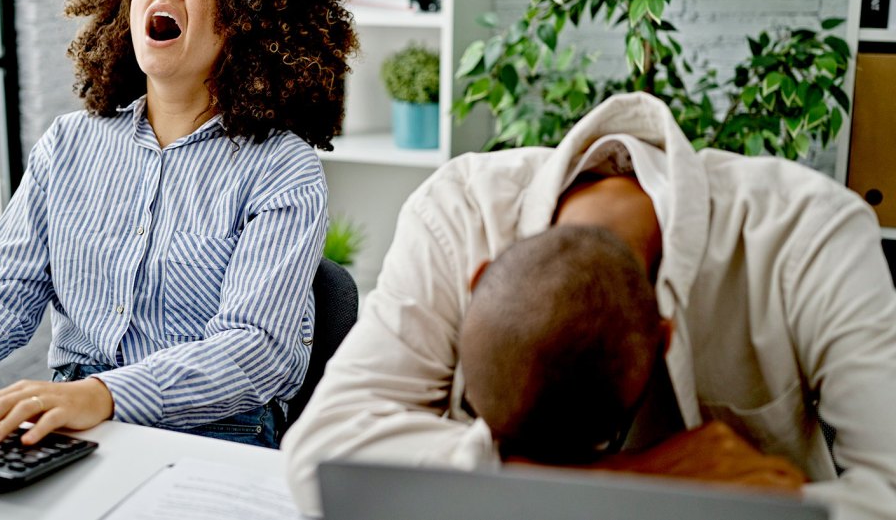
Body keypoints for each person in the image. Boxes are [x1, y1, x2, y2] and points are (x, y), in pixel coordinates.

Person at [282, 92, 896, 518]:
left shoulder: (811, 235)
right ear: (480, 280)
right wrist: (645, 483)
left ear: (665, 336)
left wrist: (511, 483)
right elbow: (320, 452)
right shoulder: (457, 212)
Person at [0, 0, 358, 450]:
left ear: (246, 21)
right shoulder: (69, 145)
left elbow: (256, 348)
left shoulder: (280, 168)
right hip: (70, 423)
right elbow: (3, 289)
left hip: (214, 438)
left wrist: (105, 395)